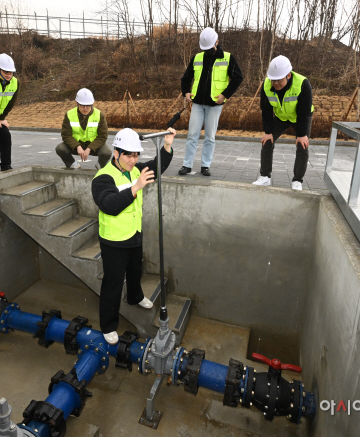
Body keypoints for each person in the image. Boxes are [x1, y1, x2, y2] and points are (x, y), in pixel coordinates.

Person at [91, 127, 176, 344]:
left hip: (134, 233)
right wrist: (135, 188)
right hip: (113, 240)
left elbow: (155, 168)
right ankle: (108, 325)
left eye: (136, 154)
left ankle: (136, 297)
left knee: (136, 269)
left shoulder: (136, 169)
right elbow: (109, 205)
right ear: (116, 153)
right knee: (113, 282)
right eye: (129, 154)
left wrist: (166, 145)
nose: (133, 159)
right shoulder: (102, 178)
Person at [179, 27, 243, 176]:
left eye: (210, 47)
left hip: (215, 104)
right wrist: (186, 92)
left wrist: (225, 95)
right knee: (192, 134)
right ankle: (187, 165)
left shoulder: (227, 58)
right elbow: (186, 77)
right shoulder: (197, 58)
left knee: (210, 136)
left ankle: (205, 165)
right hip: (198, 104)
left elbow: (238, 78)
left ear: (217, 42)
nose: (208, 51)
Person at [252, 55, 314, 191]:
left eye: (278, 80)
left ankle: (297, 181)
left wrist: (302, 134)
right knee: (267, 141)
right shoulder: (267, 85)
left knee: (302, 145)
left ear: (288, 76)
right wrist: (268, 132)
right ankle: (265, 177)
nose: (275, 83)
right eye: (272, 80)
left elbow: (305, 111)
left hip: (300, 118)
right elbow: (266, 110)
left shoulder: (303, 84)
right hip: (280, 117)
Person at [56, 88, 112, 170]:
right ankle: (73, 164)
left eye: (88, 105)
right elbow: (66, 135)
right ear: (77, 103)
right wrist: (77, 146)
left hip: (93, 146)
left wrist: (90, 148)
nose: (85, 108)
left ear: (92, 103)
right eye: (82, 105)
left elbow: (102, 136)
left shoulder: (99, 115)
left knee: (107, 152)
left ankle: (100, 165)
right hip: (76, 146)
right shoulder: (69, 114)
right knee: (60, 148)